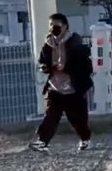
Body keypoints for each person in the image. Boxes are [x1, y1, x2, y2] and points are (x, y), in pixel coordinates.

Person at [29, 14, 94, 152]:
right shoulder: (48, 44)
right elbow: (42, 61)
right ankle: (42, 141)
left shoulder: (75, 43)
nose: (54, 28)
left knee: (77, 118)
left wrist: (67, 68)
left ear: (65, 26)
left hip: (73, 87)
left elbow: (86, 66)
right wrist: (44, 67)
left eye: (57, 25)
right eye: (51, 25)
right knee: (51, 115)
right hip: (54, 86)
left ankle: (85, 139)